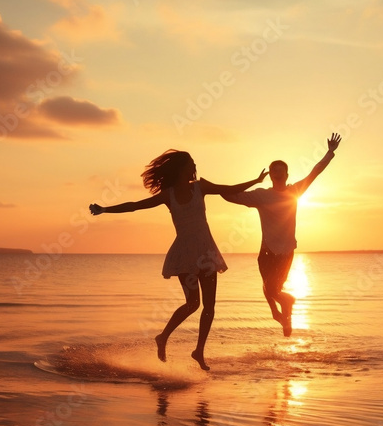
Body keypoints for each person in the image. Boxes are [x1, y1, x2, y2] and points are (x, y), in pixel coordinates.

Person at [90, 150, 266, 371]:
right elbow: (136, 205)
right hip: (184, 254)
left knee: (209, 306)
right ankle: (162, 337)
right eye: (191, 162)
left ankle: (199, 351)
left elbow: (228, 189)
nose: (194, 165)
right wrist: (105, 209)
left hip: (206, 252)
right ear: (182, 167)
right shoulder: (169, 194)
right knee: (193, 303)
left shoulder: (200, 187)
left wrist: (256, 181)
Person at [222, 133, 341, 337]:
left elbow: (315, 172)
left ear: (287, 174)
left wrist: (329, 153)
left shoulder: (294, 191)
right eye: (273, 170)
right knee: (268, 288)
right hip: (266, 250)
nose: (277, 172)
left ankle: (286, 306)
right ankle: (280, 314)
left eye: (280, 170)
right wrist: (208, 189)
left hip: (285, 251)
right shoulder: (261, 194)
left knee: (274, 290)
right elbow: (230, 195)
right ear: (269, 174)